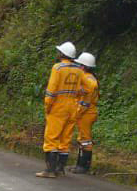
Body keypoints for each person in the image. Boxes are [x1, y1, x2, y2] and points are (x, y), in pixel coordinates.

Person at [36, 41, 84, 178]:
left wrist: (48, 105)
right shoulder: (79, 70)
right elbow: (83, 89)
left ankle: (50, 170)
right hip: (72, 106)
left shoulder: (57, 68)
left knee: (52, 137)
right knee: (65, 138)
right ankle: (60, 168)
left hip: (58, 106)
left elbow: (51, 89)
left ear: (62, 54)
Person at [69, 52, 98, 174]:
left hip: (87, 113)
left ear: (84, 66)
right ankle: (79, 165)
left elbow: (85, 102)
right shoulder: (87, 78)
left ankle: (84, 166)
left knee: (85, 139)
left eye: (79, 64)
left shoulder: (89, 81)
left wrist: (77, 112)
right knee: (82, 138)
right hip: (85, 112)